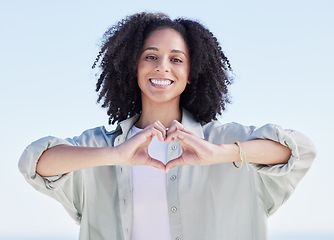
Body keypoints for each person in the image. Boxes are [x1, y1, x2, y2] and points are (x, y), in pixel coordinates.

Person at [18, 12, 316, 240]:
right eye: (151, 56)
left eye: (176, 59)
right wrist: (116, 156)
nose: (162, 66)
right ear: (133, 68)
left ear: (190, 74)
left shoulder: (226, 141)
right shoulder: (102, 147)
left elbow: (298, 150)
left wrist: (218, 154)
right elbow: (35, 161)